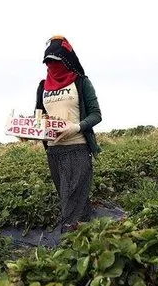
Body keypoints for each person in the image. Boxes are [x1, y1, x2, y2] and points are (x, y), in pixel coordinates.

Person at [33, 35, 103, 233]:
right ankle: (87, 235)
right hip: (54, 152)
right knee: (71, 197)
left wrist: (76, 127)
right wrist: (30, 130)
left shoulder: (81, 83)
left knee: (70, 201)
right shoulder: (43, 87)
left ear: (67, 61)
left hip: (77, 148)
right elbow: (39, 115)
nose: (52, 65)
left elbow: (96, 114)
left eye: (56, 61)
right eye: (48, 62)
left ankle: (68, 245)